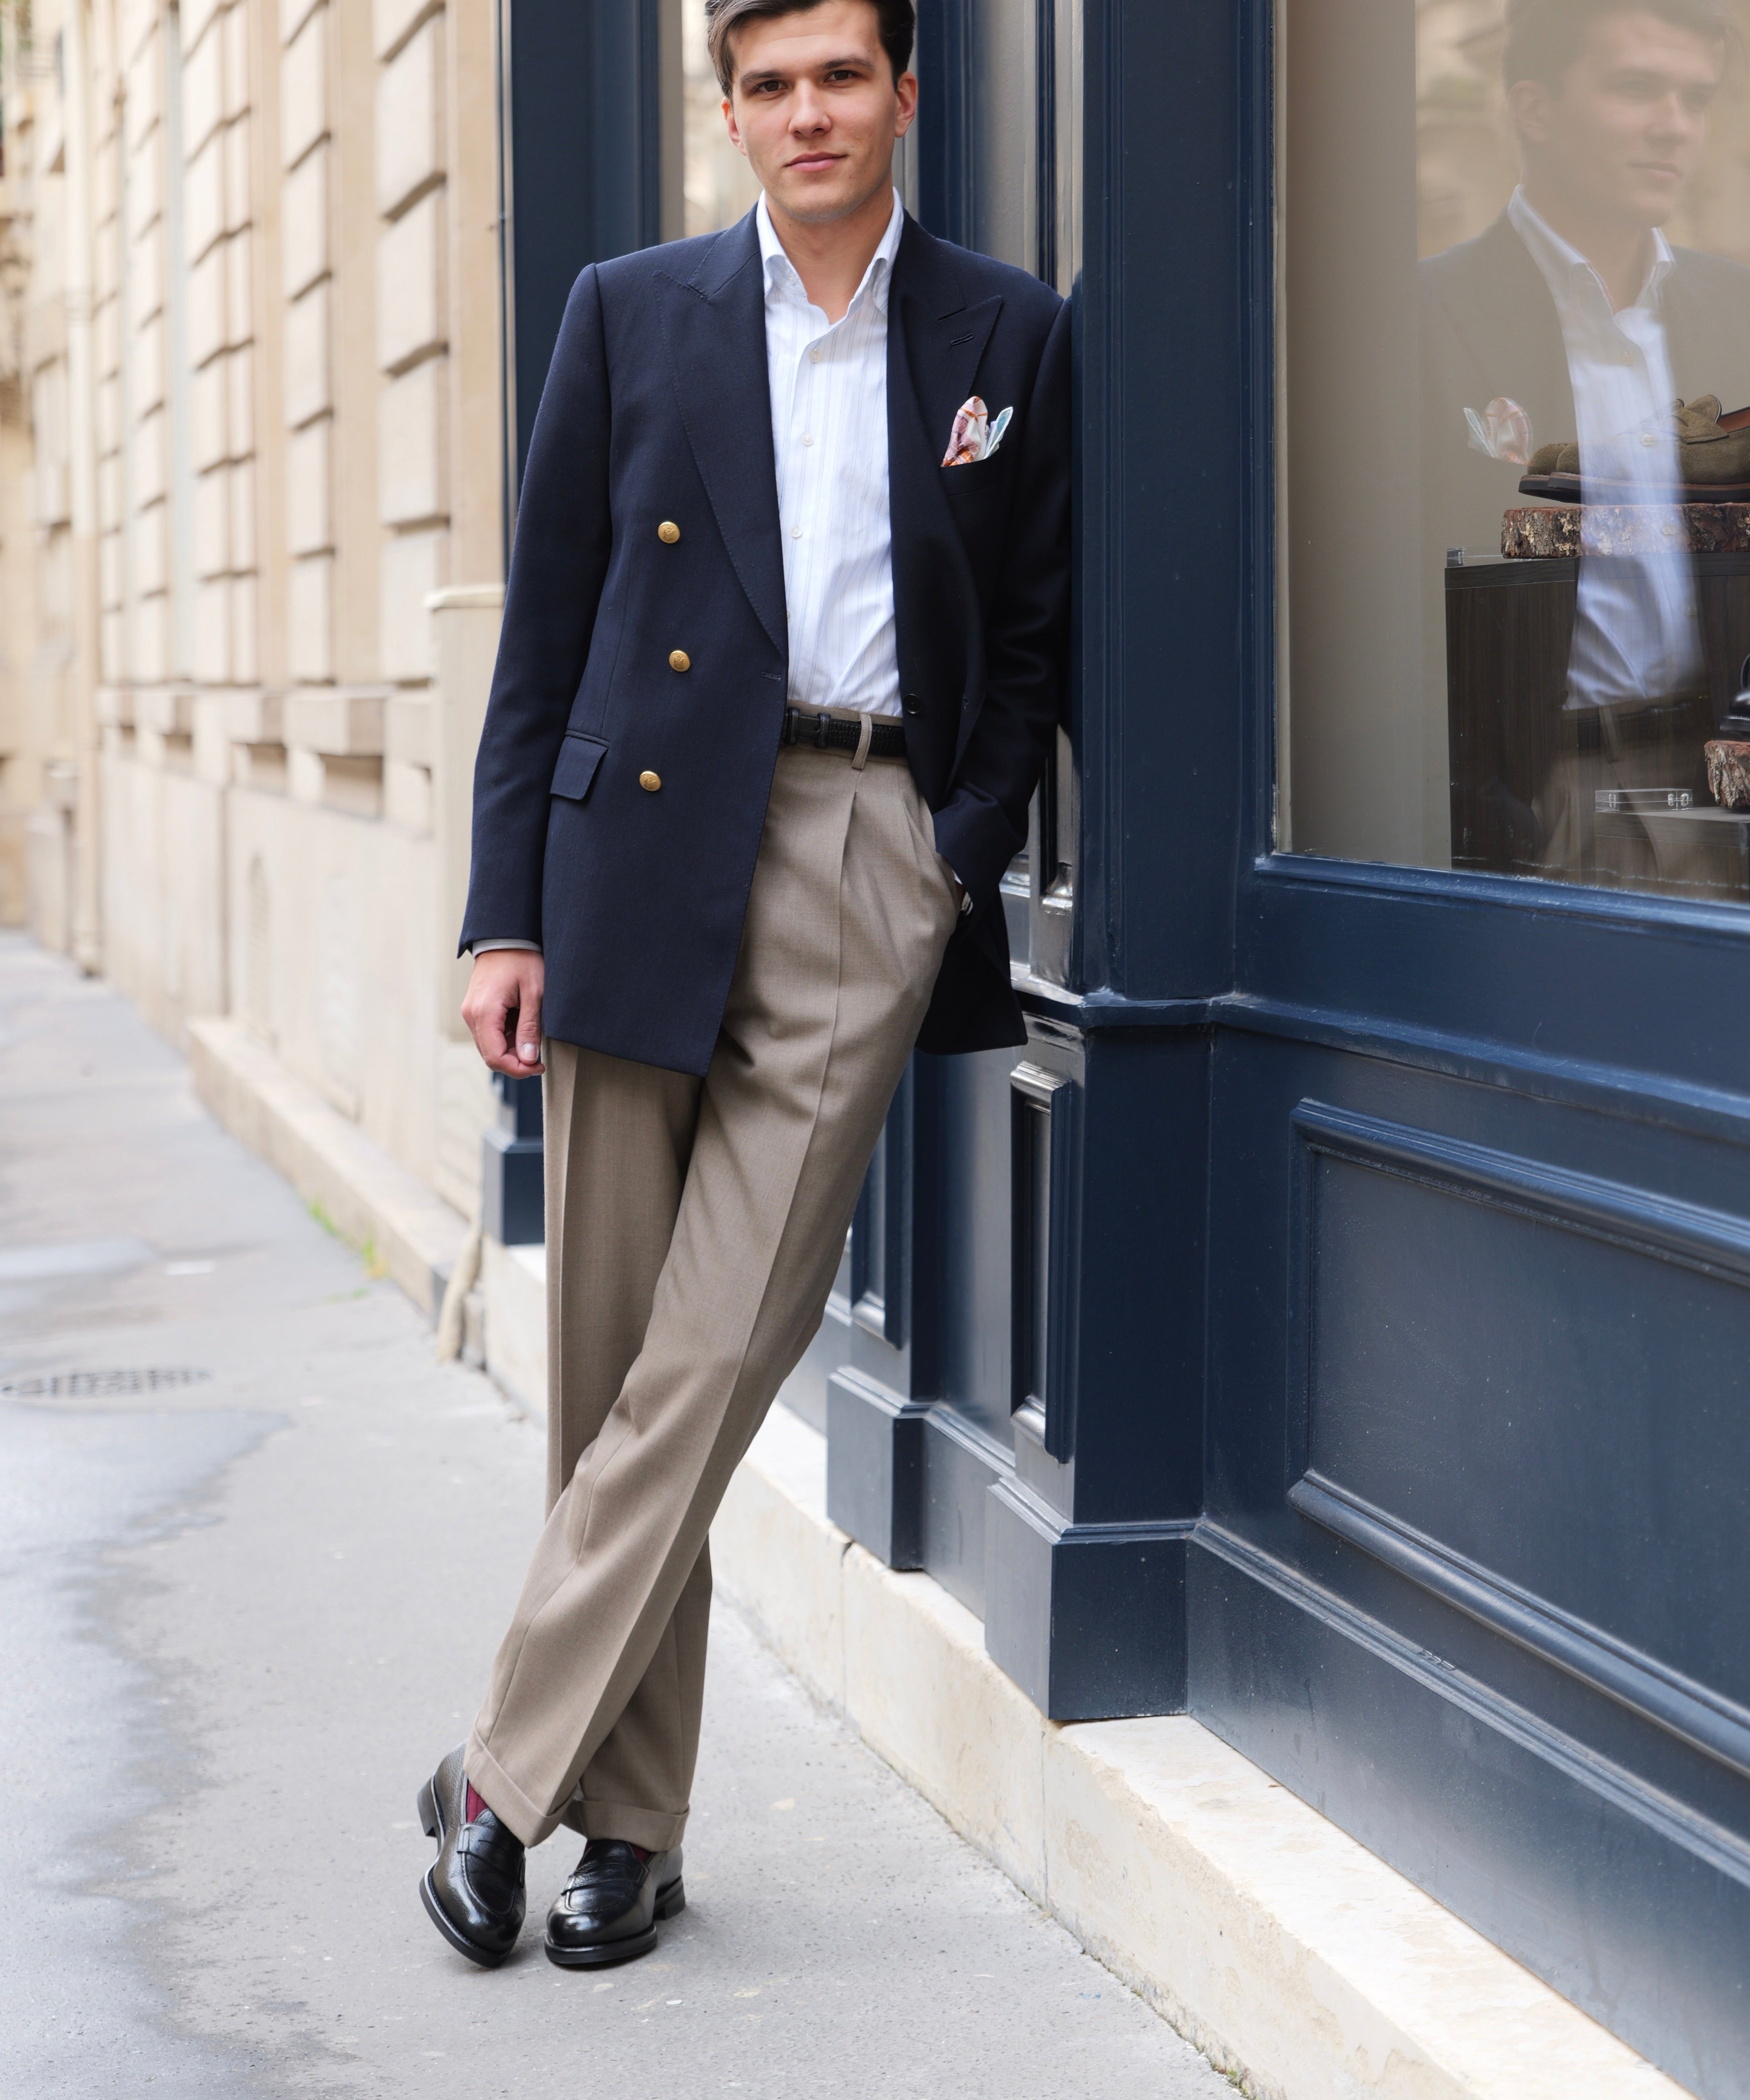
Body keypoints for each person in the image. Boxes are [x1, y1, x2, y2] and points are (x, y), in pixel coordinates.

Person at [415, 0, 1070, 1972]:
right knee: (618, 1368)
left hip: (867, 852)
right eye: (769, 85)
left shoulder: (1001, 334)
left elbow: (1031, 633)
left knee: (710, 1357)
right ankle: (627, 1828)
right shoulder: (632, 310)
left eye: (839, 78)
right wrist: (499, 913)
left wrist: (954, 846)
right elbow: (546, 624)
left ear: (902, 100)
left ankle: (488, 1776)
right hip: (633, 852)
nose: (806, 115)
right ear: (727, 112)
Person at [1420, 0, 1750, 890]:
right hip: (1534, 779)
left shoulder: (1739, 307)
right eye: (1636, 87)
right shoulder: (1422, 313)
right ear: (1533, 108)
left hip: (1718, 768)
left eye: (1695, 96)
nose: (1672, 126)